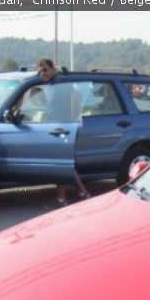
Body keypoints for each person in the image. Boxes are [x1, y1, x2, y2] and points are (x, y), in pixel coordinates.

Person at [36, 57, 89, 209]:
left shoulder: (60, 81)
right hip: (54, 127)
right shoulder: (51, 84)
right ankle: (82, 193)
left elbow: (76, 97)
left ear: (53, 69)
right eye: (39, 71)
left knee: (60, 164)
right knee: (64, 164)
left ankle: (63, 199)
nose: (42, 73)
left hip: (61, 127)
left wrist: (72, 119)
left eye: (45, 69)